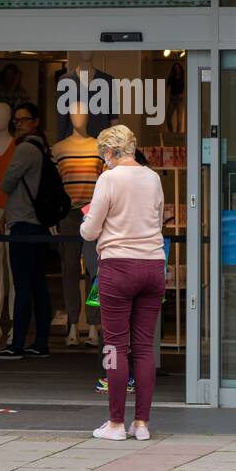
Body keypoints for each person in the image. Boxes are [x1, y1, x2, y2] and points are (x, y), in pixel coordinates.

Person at [82, 126, 165, 441]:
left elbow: (91, 230)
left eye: (104, 155)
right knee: (144, 347)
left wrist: (86, 223)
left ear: (109, 152)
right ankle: (142, 423)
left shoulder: (109, 178)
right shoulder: (153, 178)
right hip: (153, 265)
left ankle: (116, 424)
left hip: (118, 266)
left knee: (115, 347)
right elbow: (155, 221)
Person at [0, 101, 52, 359]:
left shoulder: (25, 149)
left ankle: (17, 343)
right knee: (38, 285)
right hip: (38, 225)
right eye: (16, 120)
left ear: (35, 122)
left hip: (24, 225)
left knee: (23, 285)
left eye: (23, 119)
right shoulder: (42, 148)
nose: (18, 123)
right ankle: (40, 342)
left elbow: (6, 184)